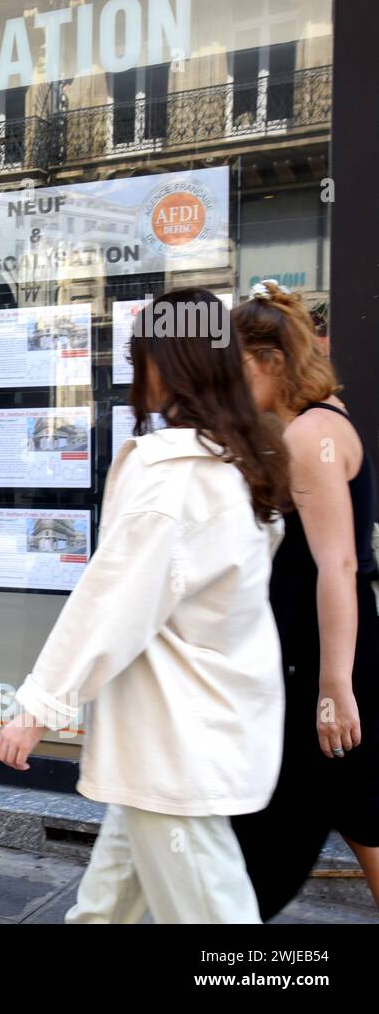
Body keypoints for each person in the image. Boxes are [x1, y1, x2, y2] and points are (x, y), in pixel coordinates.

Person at [0, 288, 290, 924]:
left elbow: (111, 602)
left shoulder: (175, 477)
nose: (135, 371)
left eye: (140, 355)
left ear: (170, 362)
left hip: (176, 738)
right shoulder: (237, 461)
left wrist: (38, 707)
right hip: (181, 731)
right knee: (105, 912)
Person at [231, 280, 379, 913]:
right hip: (327, 650)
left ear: (271, 361)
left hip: (319, 655)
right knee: (363, 812)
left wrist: (332, 687)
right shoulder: (321, 420)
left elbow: (338, 565)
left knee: (276, 822)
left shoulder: (309, 437)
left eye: (236, 367)